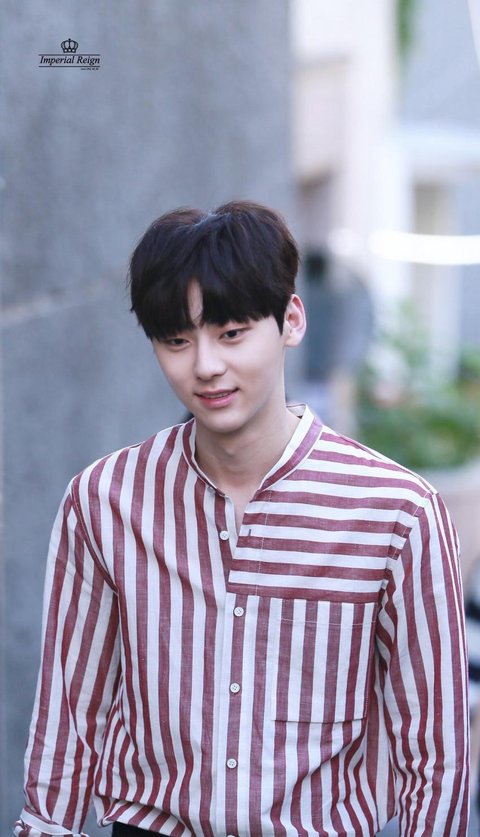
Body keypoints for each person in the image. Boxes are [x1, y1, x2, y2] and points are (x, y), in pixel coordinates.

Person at [16, 201, 469, 836]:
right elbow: (70, 717)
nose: (204, 365)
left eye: (231, 333)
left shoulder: (397, 512)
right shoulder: (105, 500)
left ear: (292, 320)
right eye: (177, 340)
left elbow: (435, 754)